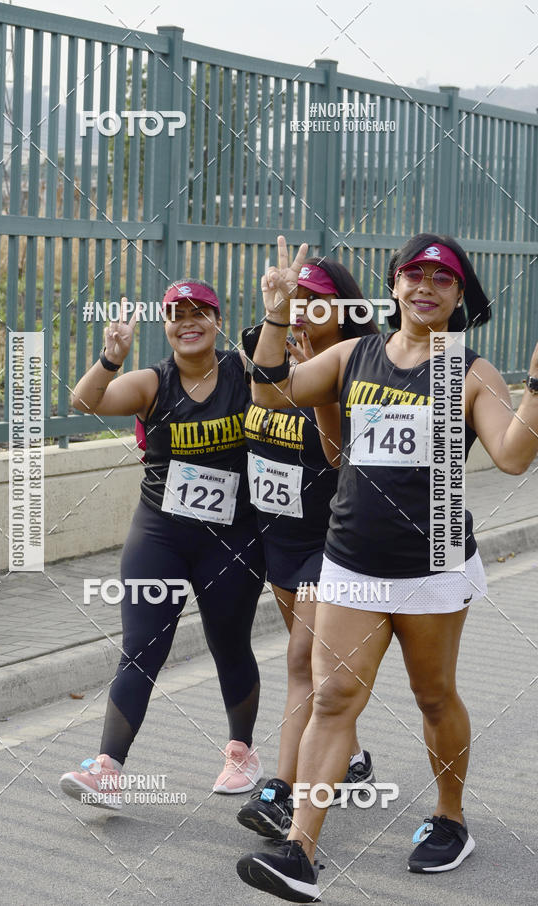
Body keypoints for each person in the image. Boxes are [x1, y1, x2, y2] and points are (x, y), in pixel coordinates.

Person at [237, 234, 538, 901]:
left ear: (459, 296)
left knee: (434, 697)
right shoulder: (353, 355)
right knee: (334, 698)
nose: (426, 284)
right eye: (414, 273)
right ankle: (300, 854)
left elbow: (515, 456)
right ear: (395, 286)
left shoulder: (468, 369)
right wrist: (279, 314)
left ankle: (451, 818)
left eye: (443, 278)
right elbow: (270, 395)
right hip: (350, 560)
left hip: (432, 562)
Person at [59, 280, 266, 808]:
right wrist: (110, 358)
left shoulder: (244, 372)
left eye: (200, 312)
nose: (188, 321)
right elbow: (86, 401)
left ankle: (241, 752)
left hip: (233, 538)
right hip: (161, 535)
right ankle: (108, 768)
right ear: (166, 324)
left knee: (229, 642)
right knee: (142, 646)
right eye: (176, 314)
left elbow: (285, 365)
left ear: (218, 320)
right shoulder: (155, 381)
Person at [236, 258, 377, 841]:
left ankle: (281, 792)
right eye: (294, 298)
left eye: (314, 299)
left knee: (300, 663)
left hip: (332, 541)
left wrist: (312, 388)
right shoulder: (262, 348)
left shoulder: (362, 365)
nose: (301, 310)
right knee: (324, 673)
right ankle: (352, 757)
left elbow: (341, 454)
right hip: (281, 536)